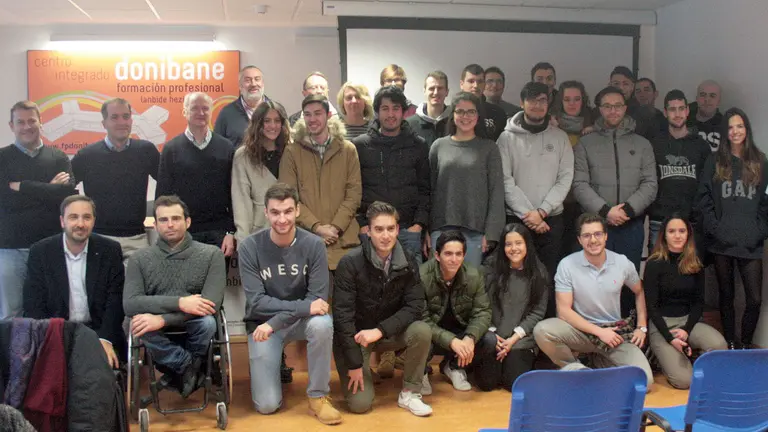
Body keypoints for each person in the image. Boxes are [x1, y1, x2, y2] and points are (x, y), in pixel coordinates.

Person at [239, 183, 341, 424]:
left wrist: (277, 320)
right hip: (263, 325)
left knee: (322, 324)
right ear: (266, 213)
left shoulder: (314, 245)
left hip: (293, 322)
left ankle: (318, 396)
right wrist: (302, 309)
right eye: (275, 212)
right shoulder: (249, 247)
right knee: (266, 406)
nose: (282, 219)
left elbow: (317, 298)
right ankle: (267, 367)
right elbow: (257, 303)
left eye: (287, 211)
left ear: (297, 211)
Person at [333, 201, 432, 416]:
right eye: (378, 229)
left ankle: (410, 393)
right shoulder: (349, 263)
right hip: (356, 339)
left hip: (385, 333)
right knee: (360, 405)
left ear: (397, 230)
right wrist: (354, 364)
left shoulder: (408, 261)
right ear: (368, 232)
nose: (385, 235)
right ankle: (363, 368)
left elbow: (415, 306)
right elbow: (342, 317)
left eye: (390, 229)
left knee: (422, 330)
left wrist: (380, 330)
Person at [533, 213, 654, 387]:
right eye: (587, 235)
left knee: (645, 382)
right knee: (542, 330)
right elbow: (564, 312)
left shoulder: (622, 263)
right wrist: (598, 332)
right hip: (582, 331)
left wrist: (641, 327)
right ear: (579, 240)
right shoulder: (567, 265)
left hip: (614, 333)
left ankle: (597, 362)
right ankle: (576, 369)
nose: (593, 240)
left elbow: (639, 290)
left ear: (605, 236)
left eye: (597, 234)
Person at [123, 195, 226, 398]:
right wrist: (180, 302)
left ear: (187, 222)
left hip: (194, 325)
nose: (170, 225)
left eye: (176, 218)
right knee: (135, 323)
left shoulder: (212, 254)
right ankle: (188, 366)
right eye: (163, 220)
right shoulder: (139, 259)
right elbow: (130, 304)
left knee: (207, 323)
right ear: (154, 224)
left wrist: (162, 318)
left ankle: (178, 372)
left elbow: (211, 304)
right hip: (156, 335)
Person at [23, 195, 126, 367]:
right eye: (73, 217)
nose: (80, 224)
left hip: (98, 332)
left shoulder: (110, 250)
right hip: (56, 332)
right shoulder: (40, 252)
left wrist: (105, 338)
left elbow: (115, 301)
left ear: (94, 221)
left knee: (97, 374)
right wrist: (50, 341)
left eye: (86, 217)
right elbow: (33, 305)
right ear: (62, 221)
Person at [697, 108, 768, 349]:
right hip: (721, 241)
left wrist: (760, 230)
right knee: (725, 297)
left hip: (751, 242)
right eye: (730, 127)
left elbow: (766, 202)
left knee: (754, 299)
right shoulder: (715, 161)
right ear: (724, 132)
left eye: (739, 126)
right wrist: (715, 228)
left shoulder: (760, 161)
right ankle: (730, 343)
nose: (735, 131)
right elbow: (704, 198)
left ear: (746, 129)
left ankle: (746, 343)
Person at [0, 100, 76, 319]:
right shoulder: (2, 158)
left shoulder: (58, 157)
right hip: (10, 249)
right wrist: (49, 189)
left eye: (32, 120)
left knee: (50, 312)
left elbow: (66, 198)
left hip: (50, 248)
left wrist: (22, 187)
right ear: (11, 126)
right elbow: (5, 200)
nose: (27, 126)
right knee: (10, 315)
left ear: (41, 122)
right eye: (20, 122)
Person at [497, 81, 573, 291]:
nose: (537, 105)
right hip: (517, 219)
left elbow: (565, 178)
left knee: (547, 276)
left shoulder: (560, 137)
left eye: (542, 100)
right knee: (516, 276)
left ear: (548, 104)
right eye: (532, 100)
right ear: (522, 103)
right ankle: (517, 322)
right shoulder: (505, 138)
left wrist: (542, 211)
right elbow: (505, 180)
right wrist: (528, 214)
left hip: (551, 220)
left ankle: (547, 321)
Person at [573, 86, 657, 272]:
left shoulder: (642, 144)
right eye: (607, 106)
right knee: (594, 282)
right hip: (595, 224)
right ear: (600, 109)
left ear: (625, 108)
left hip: (631, 224)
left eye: (618, 105)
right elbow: (579, 184)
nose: (613, 110)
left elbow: (650, 184)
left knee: (627, 280)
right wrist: (606, 211)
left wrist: (626, 210)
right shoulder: (585, 144)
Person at [279, 94, 362, 274]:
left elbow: (354, 195)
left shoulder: (348, 150)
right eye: (307, 114)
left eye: (317, 113)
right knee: (313, 302)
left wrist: (334, 228)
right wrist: (317, 227)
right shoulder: (292, 152)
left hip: (344, 242)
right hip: (306, 242)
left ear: (328, 115)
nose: (312, 119)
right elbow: (288, 198)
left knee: (344, 301)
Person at [645, 214, 727, 389]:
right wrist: (670, 338)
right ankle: (665, 357)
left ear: (688, 234)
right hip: (662, 326)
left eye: (682, 231)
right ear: (664, 235)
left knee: (719, 346)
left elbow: (698, 303)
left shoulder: (694, 263)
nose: (677, 235)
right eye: (672, 231)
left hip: (688, 323)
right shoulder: (654, 264)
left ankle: (687, 354)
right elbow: (651, 307)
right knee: (684, 382)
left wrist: (686, 331)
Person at [71, 97, 159, 261]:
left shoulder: (146, 150)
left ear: (131, 120)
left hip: (136, 238)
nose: (121, 122)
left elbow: (168, 183)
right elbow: (66, 190)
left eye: (126, 117)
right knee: (101, 287)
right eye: (114, 117)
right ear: (103, 123)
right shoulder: (87, 155)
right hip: (98, 238)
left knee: (136, 287)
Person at [353, 85, 430, 263]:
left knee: (410, 287)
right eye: (385, 109)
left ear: (403, 112)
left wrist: (418, 225)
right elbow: (353, 190)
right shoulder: (360, 146)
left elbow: (425, 190)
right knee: (371, 289)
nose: (390, 114)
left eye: (396, 109)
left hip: (407, 231)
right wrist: (363, 225)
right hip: (372, 231)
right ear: (377, 112)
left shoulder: (418, 145)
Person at [428, 92, 505, 268]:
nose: (465, 116)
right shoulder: (439, 146)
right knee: (439, 285)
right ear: (452, 114)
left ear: (478, 116)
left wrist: (492, 232)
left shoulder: (489, 148)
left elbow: (496, 192)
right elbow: (429, 191)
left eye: (471, 111)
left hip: (475, 231)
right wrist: (427, 229)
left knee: (470, 286)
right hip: (440, 228)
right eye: (460, 111)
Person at [156, 92, 236, 261]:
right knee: (182, 285)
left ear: (211, 111)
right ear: (185, 112)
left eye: (205, 108)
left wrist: (230, 232)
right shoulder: (171, 149)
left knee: (214, 286)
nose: (201, 113)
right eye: (195, 108)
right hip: (183, 232)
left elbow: (233, 195)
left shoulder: (226, 148)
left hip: (218, 234)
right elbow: (163, 196)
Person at [420, 231, 493, 392]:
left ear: (464, 255)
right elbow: (421, 318)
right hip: (432, 334)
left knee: (489, 339)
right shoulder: (422, 276)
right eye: (448, 254)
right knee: (420, 332)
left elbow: (483, 312)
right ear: (437, 256)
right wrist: (452, 341)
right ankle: (421, 372)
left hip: (460, 330)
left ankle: (453, 367)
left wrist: (470, 337)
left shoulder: (474, 275)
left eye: (458, 254)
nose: (454, 259)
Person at [479, 223, 548, 391]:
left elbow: (538, 312)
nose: (513, 248)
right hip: (494, 336)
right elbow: (482, 306)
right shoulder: (489, 271)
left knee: (513, 383)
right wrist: (493, 335)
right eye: (508, 244)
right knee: (487, 384)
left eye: (519, 243)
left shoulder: (539, 273)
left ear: (527, 245)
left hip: (520, 339)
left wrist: (513, 339)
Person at [647, 90, 710, 250]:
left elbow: (707, 182)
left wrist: (698, 212)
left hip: (691, 221)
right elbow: (648, 180)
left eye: (681, 108)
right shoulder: (654, 144)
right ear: (665, 112)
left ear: (687, 111)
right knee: (657, 269)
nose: (677, 114)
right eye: (672, 109)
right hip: (660, 220)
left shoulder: (701, 145)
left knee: (691, 271)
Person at [232, 100, 290, 243]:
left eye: (277, 121)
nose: (272, 126)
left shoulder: (292, 152)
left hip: (290, 232)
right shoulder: (243, 156)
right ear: (258, 124)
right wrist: (243, 241)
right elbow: (241, 202)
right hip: (258, 235)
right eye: (267, 121)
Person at [550, 81, 595, 256]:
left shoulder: (593, 128)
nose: (572, 104)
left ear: (583, 101)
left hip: (584, 202)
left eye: (577, 99)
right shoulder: (550, 126)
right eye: (567, 99)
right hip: (556, 203)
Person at [214, 65, 271, 147]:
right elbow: (217, 146)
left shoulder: (276, 110)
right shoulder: (227, 113)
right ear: (240, 86)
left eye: (257, 79)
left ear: (263, 83)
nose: (253, 84)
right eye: (248, 80)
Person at [604, 66, 660, 141]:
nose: (621, 88)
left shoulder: (645, 114)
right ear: (609, 85)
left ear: (632, 87)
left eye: (625, 84)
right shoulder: (598, 112)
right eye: (616, 84)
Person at [458, 64, 507, 141]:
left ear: (484, 84)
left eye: (480, 82)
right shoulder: (452, 112)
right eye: (471, 81)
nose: (476, 85)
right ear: (461, 84)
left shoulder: (498, 113)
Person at [406, 70, 451, 147]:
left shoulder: (455, 122)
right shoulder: (409, 124)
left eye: (440, 88)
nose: (436, 92)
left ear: (447, 92)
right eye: (431, 88)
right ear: (424, 91)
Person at [687, 80, 723, 152]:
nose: (707, 99)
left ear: (719, 101)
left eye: (712, 96)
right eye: (703, 95)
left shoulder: (724, 125)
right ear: (696, 98)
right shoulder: (682, 120)